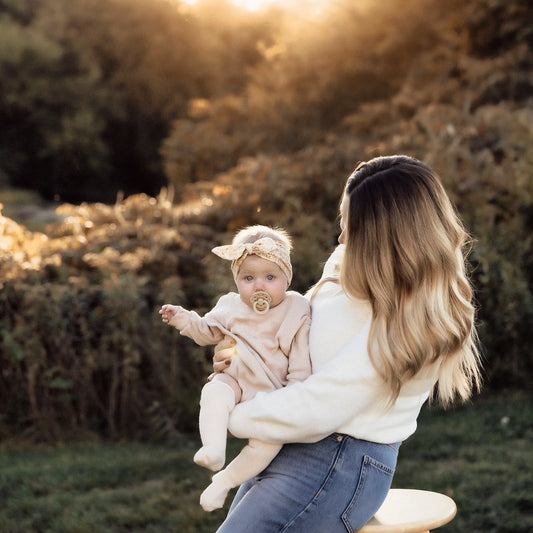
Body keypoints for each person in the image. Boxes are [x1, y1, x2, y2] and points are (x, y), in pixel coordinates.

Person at [211, 155, 483, 532]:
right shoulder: (347, 266)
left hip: (338, 458)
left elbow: (320, 404)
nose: (340, 237)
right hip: (291, 441)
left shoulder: (405, 323)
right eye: (343, 220)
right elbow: (300, 338)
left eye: (350, 226)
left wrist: (233, 415)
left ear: (383, 237)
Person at [159, 225, 311, 512]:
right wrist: (182, 318)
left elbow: (301, 363)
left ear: (286, 279)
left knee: (265, 447)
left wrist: (294, 397)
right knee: (214, 391)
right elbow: (206, 331)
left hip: (271, 392)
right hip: (236, 379)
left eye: (270, 277)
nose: (259, 286)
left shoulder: (296, 309)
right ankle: (214, 449)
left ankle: (223, 483)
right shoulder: (230, 306)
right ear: (237, 280)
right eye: (248, 278)